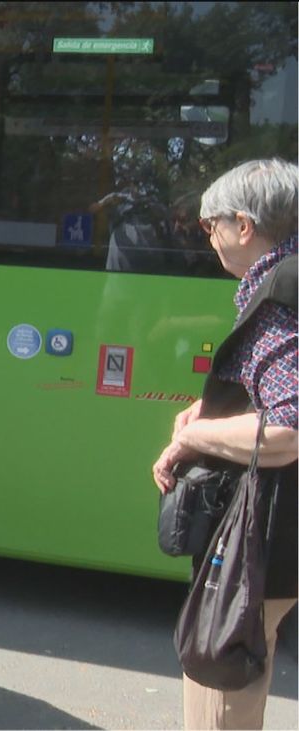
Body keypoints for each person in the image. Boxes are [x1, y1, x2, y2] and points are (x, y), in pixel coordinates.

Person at [151, 159, 297, 730]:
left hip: (265, 535)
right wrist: (210, 411)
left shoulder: (280, 297)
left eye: (208, 226)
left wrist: (196, 434)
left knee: (219, 679)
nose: (206, 239)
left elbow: (287, 430)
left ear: (243, 224)